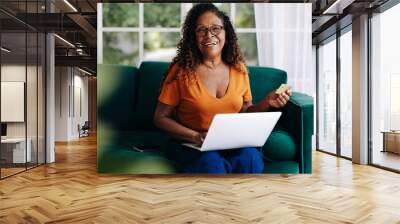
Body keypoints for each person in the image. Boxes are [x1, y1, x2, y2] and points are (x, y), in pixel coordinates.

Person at [153, 3, 292, 174]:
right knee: (211, 162)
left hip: (231, 142)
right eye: (201, 30)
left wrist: (267, 102)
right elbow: (160, 117)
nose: (209, 35)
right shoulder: (181, 71)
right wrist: (195, 136)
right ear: (193, 36)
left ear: (226, 33)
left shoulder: (239, 69)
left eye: (215, 28)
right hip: (190, 144)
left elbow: (245, 111)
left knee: (250, 158)